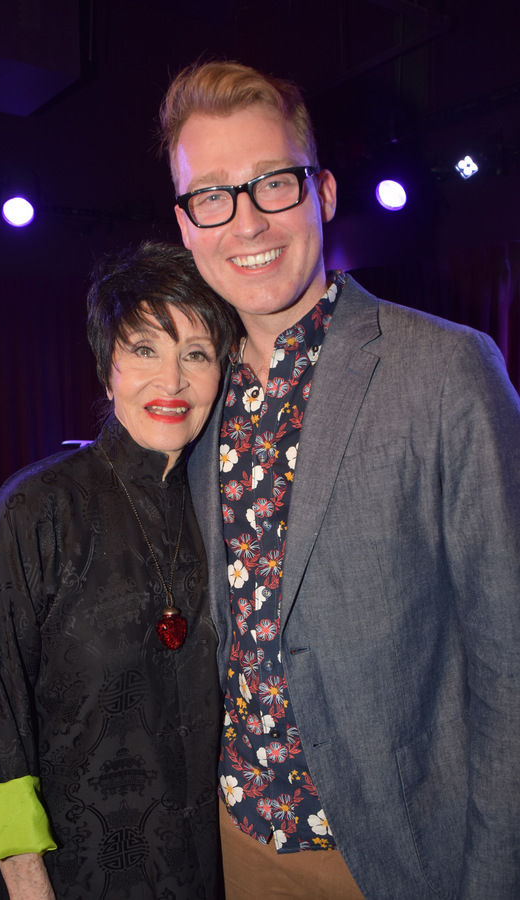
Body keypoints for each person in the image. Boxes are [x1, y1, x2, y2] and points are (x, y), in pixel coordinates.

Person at [158, 60, 520, 899]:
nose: (245, 220)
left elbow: (510, 663)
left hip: (397, 854)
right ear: (185, 225)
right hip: (234, 839)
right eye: (210, 194)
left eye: (270, 183)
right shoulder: (195, 394)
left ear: (319, 193)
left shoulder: (447, 368)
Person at [0, 240, 239, 900]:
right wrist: (25, 879)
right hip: (74, 872)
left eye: (195, 354)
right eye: (145, 349)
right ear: (107, 367)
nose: (171, 382)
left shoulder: (221, 504)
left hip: (206, 866)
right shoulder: (40, 505)